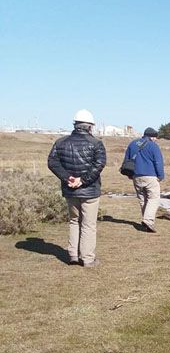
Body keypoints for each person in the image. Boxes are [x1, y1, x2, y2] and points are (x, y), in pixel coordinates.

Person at [47, 109, 107, 267]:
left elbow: (52, 162)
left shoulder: (60, 142)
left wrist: (67, 178)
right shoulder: (96, 143)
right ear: (90, 126)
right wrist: (83, 180)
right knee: (88, 224)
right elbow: (99, 165)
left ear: (75, 124)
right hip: (90, 190)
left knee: (74, 221)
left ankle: (73, 254)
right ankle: (87, 258)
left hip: (70, 190)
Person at [124, 127, 164, 232]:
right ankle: (148, 220)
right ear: (151, 136)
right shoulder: (153, 146)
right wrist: (160, 175)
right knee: (154, 198)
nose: (156, 139)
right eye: (155, 137)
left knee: (142, 199)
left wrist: (129, 174)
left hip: (136, 176)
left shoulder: (132, 144)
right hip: (150, 176)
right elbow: (158, 162)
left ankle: (146, 222)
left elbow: (127, 160)